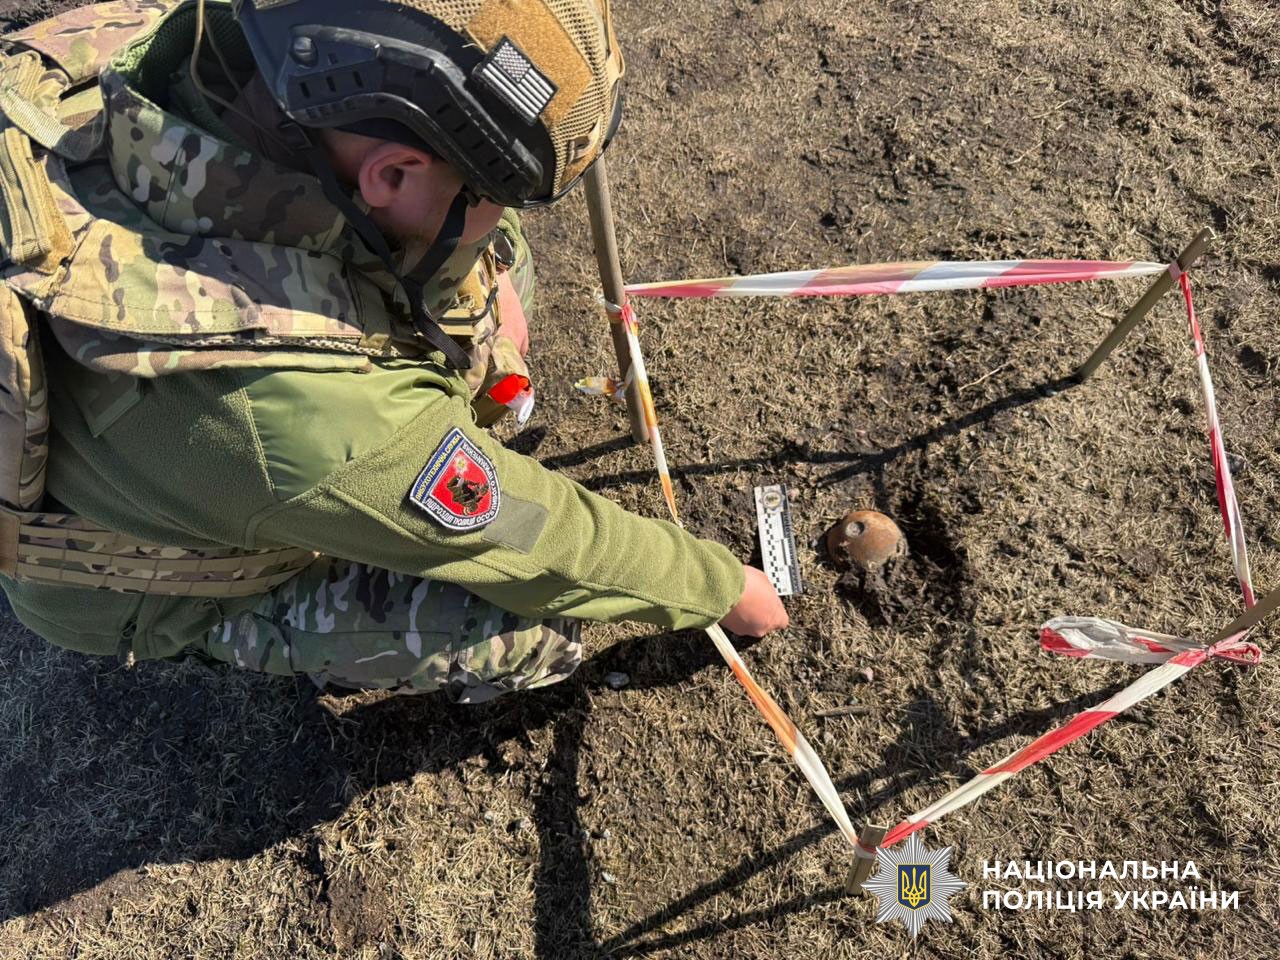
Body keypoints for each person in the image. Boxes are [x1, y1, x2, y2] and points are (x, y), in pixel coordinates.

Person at [0, 0, 786, 704]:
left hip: (216, 421)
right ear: (393, 172)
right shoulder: (291, 410)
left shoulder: (224, 41)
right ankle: (216, 633)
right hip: (145, 579)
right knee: (532, 635)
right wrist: (719, 588)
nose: (509, 217)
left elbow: (451, 225)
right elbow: (538, 541)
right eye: (500, 194)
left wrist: (485, 265)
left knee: (495, 262)